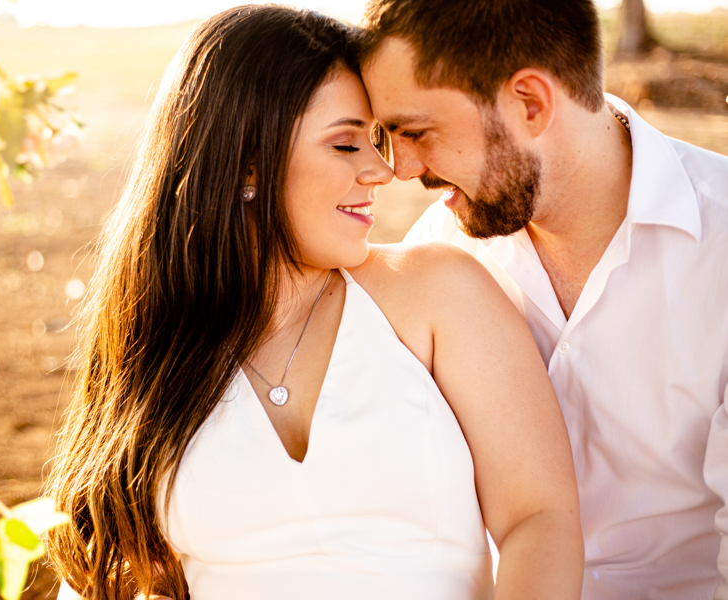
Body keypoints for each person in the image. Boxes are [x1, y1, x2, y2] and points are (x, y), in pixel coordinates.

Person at [44, 5, 582, 600]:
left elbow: (540, 519)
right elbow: (108, 566)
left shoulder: (439, 292)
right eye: (346, 144)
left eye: (374, 140)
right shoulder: (158, 343)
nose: (382, 170)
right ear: (250, 162)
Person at [356, 0, 728, 597]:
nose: (401, 170)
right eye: (384, 136)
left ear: (530, 102)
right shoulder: (436, 255)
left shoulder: (720, 246)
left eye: (416, 132)